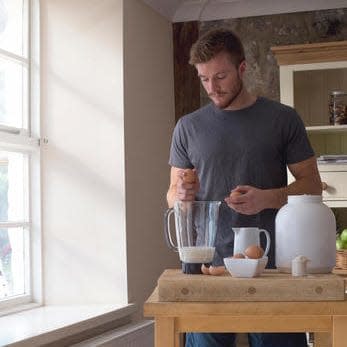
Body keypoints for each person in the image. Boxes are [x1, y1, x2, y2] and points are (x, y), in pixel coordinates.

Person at [166, 28, 322, 347]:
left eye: (220, 76)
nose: (212, 87)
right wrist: (181, 195)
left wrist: (269, 198)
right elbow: (172, 195)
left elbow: (313, 187)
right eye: (204, 78)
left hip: (273, 266)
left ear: (242, 68)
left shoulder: (283, 119)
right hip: (207, 265)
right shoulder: (188, 127)